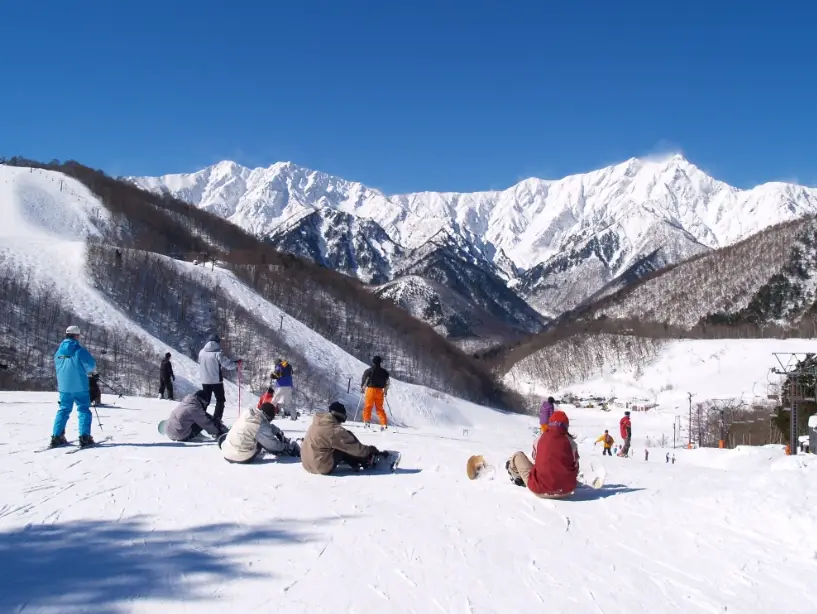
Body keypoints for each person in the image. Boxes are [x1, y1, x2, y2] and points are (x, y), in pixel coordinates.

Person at [506, 410, 579, 498]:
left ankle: (516, 475)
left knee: (517, 456)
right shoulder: (571, 443)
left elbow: (535, 457)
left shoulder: (540, 438)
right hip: (566, 491)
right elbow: (575, 464)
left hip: (540, 489)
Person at [301, 402, 385, 475]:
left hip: (306, 464)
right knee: (344, 444)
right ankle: (369, 459)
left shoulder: (318, 422)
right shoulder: (334, 430)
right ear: (340, 417)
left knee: (339, 443)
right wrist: (369, 450)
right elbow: (354, 448)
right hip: (320, 467)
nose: (341, 423)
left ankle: (355, 461)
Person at [50, 325, 98, 448]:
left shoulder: (58, 352)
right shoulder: (79, 350)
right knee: (83, 410)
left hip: (63, 386)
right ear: (76, 336)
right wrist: (89, 372)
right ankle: (84, 438)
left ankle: (56, 436)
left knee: (63, 410)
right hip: (79, 386)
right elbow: (91, 365)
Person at [219, 402, 301, 464]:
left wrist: (276, 431)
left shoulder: (249, 412)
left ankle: (234, 441)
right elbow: (273, 445)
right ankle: (289, 451)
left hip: (226, 450)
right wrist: (285, 446)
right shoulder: (261, 425)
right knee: (262, 441)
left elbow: (265, 425)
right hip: (240, 457)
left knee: (248, 432)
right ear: (268, 417)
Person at [198, 334, 240, 423]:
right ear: (216, 342)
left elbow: (200, 362)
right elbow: (228, 365)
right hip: (216, 381)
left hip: (205, 380)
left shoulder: (201, 352)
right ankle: (216, 420)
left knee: (205, 401)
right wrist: (236, 364)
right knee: (220, 400)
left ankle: (200, 418)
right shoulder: (218, 354)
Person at [361, 356, 390, 429]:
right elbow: (387, 383)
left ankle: (367, 422)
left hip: (371, 390)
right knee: (380, 408)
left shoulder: (368, 371)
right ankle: (384, 424)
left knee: (368, 407)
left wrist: (363, 388)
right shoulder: (385, 372)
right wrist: (385, 391)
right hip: (380, 391)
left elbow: (365, 380)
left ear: (373, 361)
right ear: (380, 362)